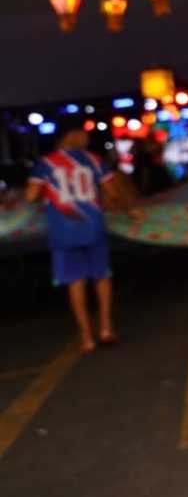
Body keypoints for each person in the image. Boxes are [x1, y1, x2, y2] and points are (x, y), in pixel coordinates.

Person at [25, 127, 127, 353]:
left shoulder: (45, 163)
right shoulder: (93, 159)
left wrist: (47, 195)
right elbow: (113, 193)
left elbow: (31, 196)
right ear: (75, 136)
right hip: (93, 227)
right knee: (102, 277)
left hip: (63, 231)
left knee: (75, 282)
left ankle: (86, 337)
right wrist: (127, 209)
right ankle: (106, 328)